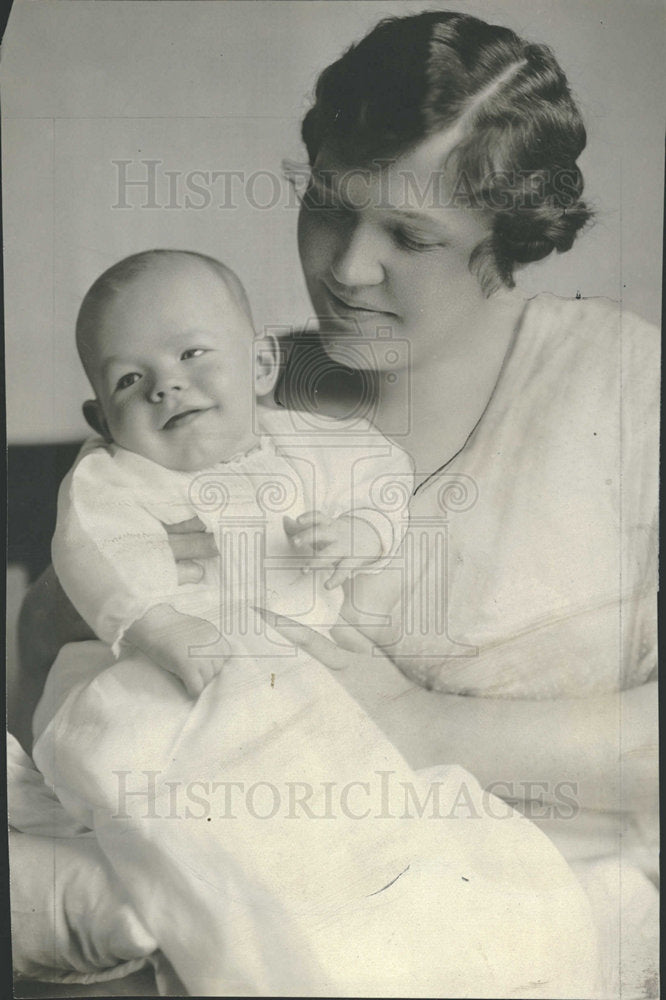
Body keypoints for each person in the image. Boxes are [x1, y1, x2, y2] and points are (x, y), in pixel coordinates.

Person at [12, 8, 658, 997]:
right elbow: (76, 656)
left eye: (409, 233)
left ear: (509, 231)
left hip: (541, 925)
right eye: (327, 207)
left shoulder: (623, 386)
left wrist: (418, 724)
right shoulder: (221, 387)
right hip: (249, 914)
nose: (347, 271)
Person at [52, 248, 409, 696]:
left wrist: (365, 528)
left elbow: (380, 471)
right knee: (134, 739)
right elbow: (90, 549)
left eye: (191, 352)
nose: (165, 385)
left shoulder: (304, 441)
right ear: (104, 421)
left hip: (300, 665)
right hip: (166, 667)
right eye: (128, 379)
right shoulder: (115, 478)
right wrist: (160, 627)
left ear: (260, 367)